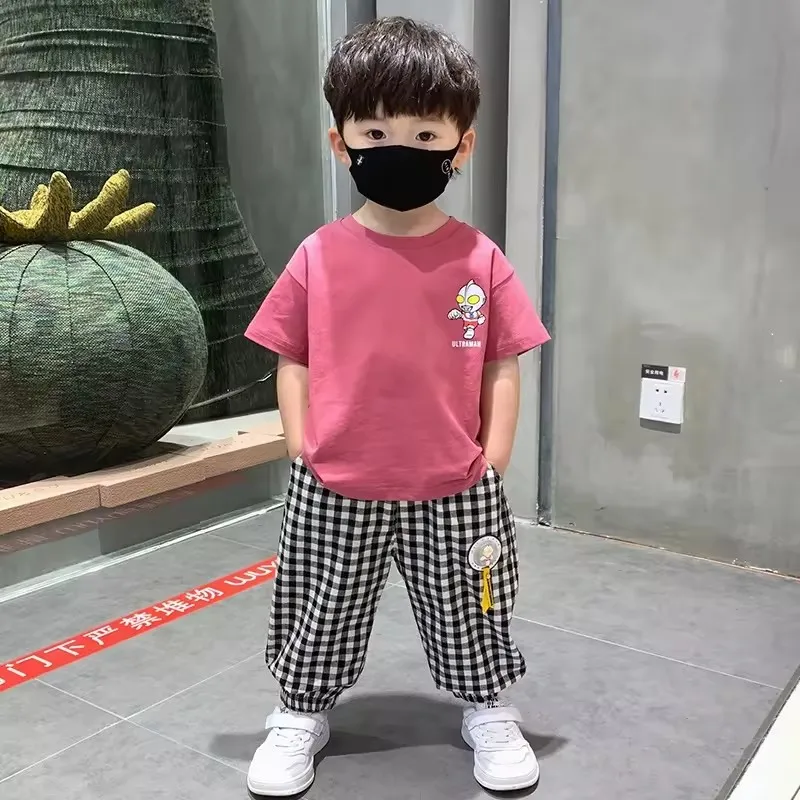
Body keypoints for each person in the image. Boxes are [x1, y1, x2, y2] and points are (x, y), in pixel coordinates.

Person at [243, 15, 550, 797]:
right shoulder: (318, 255)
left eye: (424, 135)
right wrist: (300, 444)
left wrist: (494, 458)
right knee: (320, 601)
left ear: (461, 145)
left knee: (473, 602)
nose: (399, 149)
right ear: (340, 141)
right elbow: (291, 354)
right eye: (375, 131)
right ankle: (299, 711)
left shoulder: (480, 259)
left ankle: (487, 706)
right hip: (334, 481)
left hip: (456, 483)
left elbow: (503, 361)